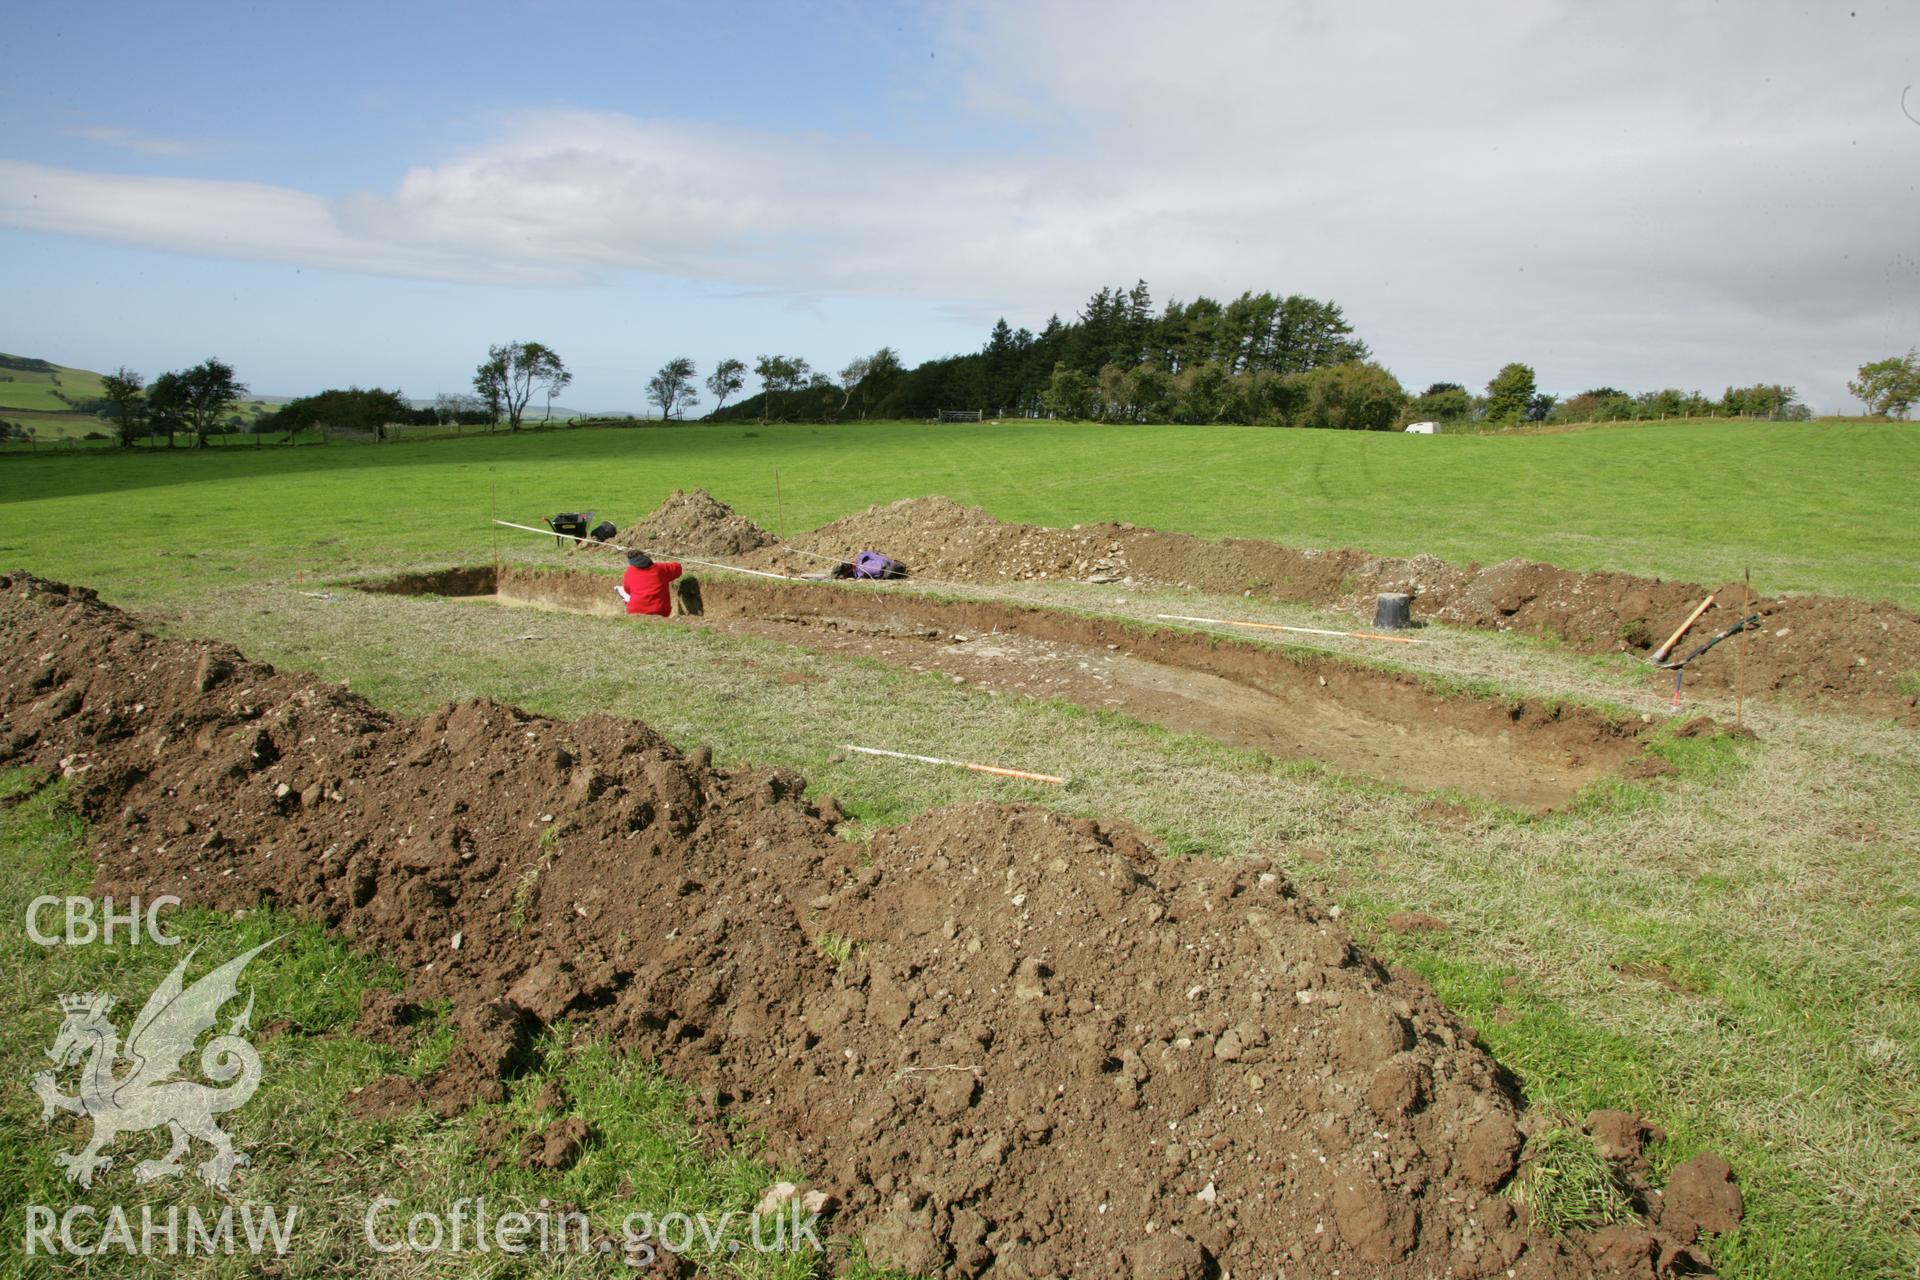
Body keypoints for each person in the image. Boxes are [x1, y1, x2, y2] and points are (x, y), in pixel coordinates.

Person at [616, 551, 683, 617]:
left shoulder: (630, 572)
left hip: (635, 611)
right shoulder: (661, 568)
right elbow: (678, 568)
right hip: (660, 611)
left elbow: (627, 590)